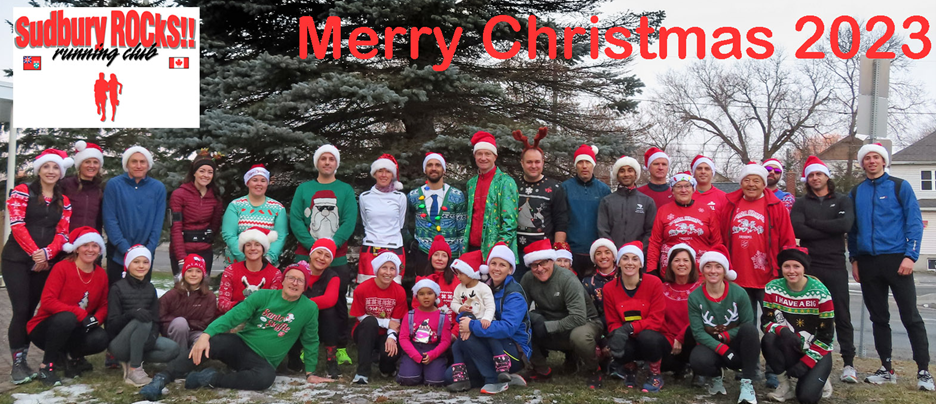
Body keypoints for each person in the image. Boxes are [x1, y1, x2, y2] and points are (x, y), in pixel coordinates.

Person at [139, 263, 333, 401]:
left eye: (300, 280)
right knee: (214, 342)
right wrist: (206, 335)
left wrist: (310, 372)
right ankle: (162, 378)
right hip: (240, 346)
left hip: (264, 361)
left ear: (305, 285)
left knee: (266, 378)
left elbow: (310, 340)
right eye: (291, 277)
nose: (294, 283)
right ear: (283, 280)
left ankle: (210, 378)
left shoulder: (309, 308)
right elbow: (233, 316)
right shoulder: (264, 296)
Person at [848, 143, 932, 390]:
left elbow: (914, 222)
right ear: (862, 164)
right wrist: (854, 259)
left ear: (884, 162)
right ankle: (886, 367)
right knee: (878, 318)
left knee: (911, 317)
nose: (872, 161)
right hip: (868, 262)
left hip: (897, 260)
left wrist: (911, 256)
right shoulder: (856, 192)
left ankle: (924, 371)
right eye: (867, 158)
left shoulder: (899, 186)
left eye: (876, 157)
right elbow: (853, 231)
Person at [720, 162, 795, 388]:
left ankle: (775, 370)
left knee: (773, 326)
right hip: (737, 277)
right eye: (747, 180)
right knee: (745, 327)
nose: (751, 184)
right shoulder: (730, 204)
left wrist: (787, 269)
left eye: (756, 181)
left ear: (764, 184)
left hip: (769, 277)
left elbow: (787, 239)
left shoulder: (775, 205)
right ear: (741, 182)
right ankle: (748, 368)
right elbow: (721, 238)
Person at [4, 149, 74, 385]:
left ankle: (35, 358)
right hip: (15, 259)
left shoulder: (63, 200)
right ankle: (18, 362)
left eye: (56, 168)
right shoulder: (23, 191)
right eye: (47, 167)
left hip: (44, 262)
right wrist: (36, 253)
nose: (51, 171)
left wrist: (47, 254)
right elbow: (16, 224)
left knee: (34, 308)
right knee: (21, 309)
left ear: (60, 172)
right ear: (39, 169)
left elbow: (62, 233)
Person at [790, 156, 858, 383]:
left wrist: (815, 224)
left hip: (836, 264)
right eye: (811, 175)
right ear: (806, 179)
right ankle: (810, 358)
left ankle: (849, 363)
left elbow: (845, 225)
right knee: (810, 316)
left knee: (841, 314)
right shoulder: (801, 203)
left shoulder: (842, 200)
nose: (815, 178)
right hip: (811, 266)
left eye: (818, 174)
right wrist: (830, 227)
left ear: (826, 176)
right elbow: (798, 229)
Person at [290, 144, 357, 365]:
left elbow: (349, 221)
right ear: (317, 163)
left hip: (337, 258)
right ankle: (299, 348)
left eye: (331, 159)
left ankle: (339, 347)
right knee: (299, 300)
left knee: (337, 302)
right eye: (323, 159)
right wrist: (313, 247)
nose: (327, 162)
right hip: (304, 257)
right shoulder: (304, 189)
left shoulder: (345, 190)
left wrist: (330, 247)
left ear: (336, 163)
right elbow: (296, 219)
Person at [26, 227, 109, 387]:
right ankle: (46, 367)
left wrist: (96, 319)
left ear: (99, 250)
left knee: (101, 337)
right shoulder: (62, 268)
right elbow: (48, 301)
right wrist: (80, 313)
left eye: (95, 246)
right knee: (67, 318)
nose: (90, 250)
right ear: (77, 248)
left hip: (76, 328)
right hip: (46, 327)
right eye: (85, 245)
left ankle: (72, 358)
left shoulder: (101, 274)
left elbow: (104, 304)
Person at [446, 242, 530, 395]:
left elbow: (508, 328)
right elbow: (467, 308)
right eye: (493, 263)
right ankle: (505, 377)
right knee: (448, 376)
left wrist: (471, 326)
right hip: (487, 343)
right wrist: (464, 319)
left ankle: (494, 379)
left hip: (512, 349)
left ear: (510, 269)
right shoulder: (483, 287)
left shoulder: (514, 294)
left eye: (502, 265)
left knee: (468, 338)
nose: (496, 268)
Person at [521, 239, 604, 388]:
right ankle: (541, 369)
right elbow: (520, 310)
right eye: (535, 265)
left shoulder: (567, 279)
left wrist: (547, 326)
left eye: (544, 263)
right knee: (522, 326)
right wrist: (535, 318)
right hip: (551, 321)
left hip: (585, 322)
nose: (540, 269)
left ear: (552, 261)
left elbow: (578, 317)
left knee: (580, 337)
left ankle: (594, 369)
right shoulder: (528, 279)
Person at [687, 245, 759, 404]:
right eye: (708, 266)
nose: (713, 271)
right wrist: (723, 349)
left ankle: (747, 383)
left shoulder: (739, 293)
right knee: (698, 360)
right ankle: (716, 376)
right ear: (702, 270)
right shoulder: (695, 297)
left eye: (718, 267)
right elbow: (698, 332)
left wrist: (726, 336)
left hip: (734, 341)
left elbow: (747, 323)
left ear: (724, 270)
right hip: (711, 342)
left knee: (750, 331)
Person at [762, 247, 834, 403]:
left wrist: (806, 363)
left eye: (796, 266)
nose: (791, 271)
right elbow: (766, 322)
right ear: (781, 268)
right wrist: (783, 331)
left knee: (806, 398)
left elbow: (826, 337)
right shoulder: (772, 288)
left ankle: (820, 377)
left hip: (817, 350)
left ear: (804, 268)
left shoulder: (821, 293)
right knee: (768, 339)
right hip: (791, 344)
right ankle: (784, 385)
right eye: (786, 266)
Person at [107, 245, 181, 387]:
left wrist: (153, 336)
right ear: (128, 264)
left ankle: (136, 358)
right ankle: (134, 369)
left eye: (145, 262)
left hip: (142, 338)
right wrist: (130, 315)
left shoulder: (150, 288)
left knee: (172, 349)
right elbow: (111, 325)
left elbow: (155, 319)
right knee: (142, 319)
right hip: (119, 344)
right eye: (136, 262)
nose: (141, 266)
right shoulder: (117, 288)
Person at [603, 241, 667, 392]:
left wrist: (630, 327)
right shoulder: (609, 289)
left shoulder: (654, 283)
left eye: (634, 259)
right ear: (618, 263)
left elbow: (656, 320)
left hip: (652, 338)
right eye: (625, 258)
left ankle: (655, 374)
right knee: (616, 340)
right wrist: (619, 333)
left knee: (647, 337)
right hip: (628, 338)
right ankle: (629, 368)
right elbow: (612, 321)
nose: (629, 263)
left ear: (640, 264)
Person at [102, 146, 166, 285]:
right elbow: (110, 220)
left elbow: (157, 222)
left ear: (148, 165)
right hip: (118, 254)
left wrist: (146, 252)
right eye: (134, 161)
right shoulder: (114, 185)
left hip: (145, 256)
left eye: (142, 162)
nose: (138, 165)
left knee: (140, 300)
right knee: (116, 296)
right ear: (127, 164)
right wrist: (127, 250)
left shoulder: (158, 188)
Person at [449, 248, 513, 385]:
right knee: (456, 347)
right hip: (467, 322)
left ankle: (501, 368)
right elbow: (453, 303)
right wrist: (459, 308)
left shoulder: (483, 288)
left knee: (492, 339)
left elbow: (490, 306)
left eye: (460, 273)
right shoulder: (459, 288)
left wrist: (486, 319)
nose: (458, 277)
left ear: (470, 273)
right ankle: (461, 375)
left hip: (483, 322)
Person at [512, 128, 569, 281]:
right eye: (529, 162)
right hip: (516, 253)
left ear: (543, 162)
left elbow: (561, 222)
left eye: (537, 162)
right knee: (518, 294)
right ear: (522, 163)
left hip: (543, 257)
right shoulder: (512, 186)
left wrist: (557, 252)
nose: (533, 166)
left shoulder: (555, 188)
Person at [646, 171, 722, 277]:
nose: (683, 190)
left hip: (699, 270)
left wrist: (716, 265)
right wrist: (651, 268)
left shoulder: (706, 210)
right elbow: (655, 242)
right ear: (672, 190)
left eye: (687, 186)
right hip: (671, 270)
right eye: (678, 187)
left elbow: (717, 242)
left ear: (693, 189)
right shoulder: (663, 210)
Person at [286, 239, 343, 379]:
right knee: (289, 314)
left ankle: (331, 360)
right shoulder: (297, 271)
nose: (322, 258)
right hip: (296, 318)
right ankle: (294, 358)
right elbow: (287, 295)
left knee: (329, 312)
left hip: (320, 323)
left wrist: (302, 305)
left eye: (327, 255)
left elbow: (330, 300)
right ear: (311, 253)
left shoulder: (333, 277)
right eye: (319, 252)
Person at [405, 152, 467, 281]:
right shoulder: (414, 196)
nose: (434, 168)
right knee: (424, 293)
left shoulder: (457, 195)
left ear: (443, 170)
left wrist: (463, 257)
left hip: (450, 255)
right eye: (430, 165)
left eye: (438, 165)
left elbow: (462, 230)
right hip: (423, 253)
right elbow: (404, 222)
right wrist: (410, 241)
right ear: (425, 170)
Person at [349, 252, 407, 384]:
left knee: (389, 359)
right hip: (365, 331)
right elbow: (359, 316)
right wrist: (386, 322)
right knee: (370, 321)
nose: (388, 272)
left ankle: (386, 368)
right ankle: (362, 372)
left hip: (386, 334)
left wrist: (391, 337)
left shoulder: (399, 291)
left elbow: (396, 322)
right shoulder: (362, 289)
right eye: (384, 268)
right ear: (377, 269)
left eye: (392, 269)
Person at [462, 131, 519, 261]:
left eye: (487, 154)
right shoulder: (471, 184)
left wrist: (500, 249)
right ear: (474, 156)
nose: (483, 158)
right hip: (472, 250)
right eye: (479, 154)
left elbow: (510, 221)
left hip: (496, 252)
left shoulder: (506, 182)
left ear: (495, 156)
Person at [169, 150, 224, 279]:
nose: (206, 175)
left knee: (202, 291)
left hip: (204, 250)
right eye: (202, 171)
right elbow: (175, 228)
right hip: (182, 249)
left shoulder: (215, 197)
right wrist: (181, 258)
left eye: (210, 172)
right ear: (194, 172)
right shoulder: (179, 194)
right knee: (182, 292)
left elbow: (215, 225)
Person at [221, 164, 288, 266]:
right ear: (248, 182)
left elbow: (281, 237)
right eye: (255, 180)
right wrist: (245, 259)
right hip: (238, 263)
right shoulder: (235, 206)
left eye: (263, 180)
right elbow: (229, 235)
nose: (259, 184)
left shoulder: (278, 208)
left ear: (267, 183)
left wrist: (268, 259)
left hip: (266, 264)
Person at [562, 144, 611, 278]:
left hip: (595, 253)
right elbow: (560, 219)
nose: (584, 166)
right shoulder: (565, 188)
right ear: (575, 165)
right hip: (571, 252)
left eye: (587, 162)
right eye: (580, 162)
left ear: (593, 165)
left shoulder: (604, 190)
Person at [358, 154, 408, 285]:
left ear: (393, 175)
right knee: (367, 289)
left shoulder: (400, 197)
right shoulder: (365, 197)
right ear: (374, 174)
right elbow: (365, 222)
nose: (384, 175)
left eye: (388, 171)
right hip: (370, 247)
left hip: (394, 247)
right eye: (380, 171)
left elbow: (400, 223)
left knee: (392, 290)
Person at [597, 155, 655, 263]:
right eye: (622, 171)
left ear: (635, 174)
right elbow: (603, 230)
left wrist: (638, 249)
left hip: (637, 258)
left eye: (630, 170)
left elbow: (650, 231)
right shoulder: (607, 201)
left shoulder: (647, 202)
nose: (626, 174)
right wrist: (612, 251)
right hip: (613, 258)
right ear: (617, 175)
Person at [398, 279, 453, 387]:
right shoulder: (410, 315)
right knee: (408, 379)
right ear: (416, 296)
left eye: (429, 293)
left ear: (436, 296)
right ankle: (413, 369)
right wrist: (415, 355)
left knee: (436, 382)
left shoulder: (443, 317)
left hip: (433, 351)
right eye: (421, 294)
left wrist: (432, 355)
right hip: (414, 351)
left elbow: (446, 341)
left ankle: (429, 371)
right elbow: (403, 338)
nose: (426, 297)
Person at [159, 254, 217, 355]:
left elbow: (206, 322)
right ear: (184, 273)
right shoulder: (173, 294)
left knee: (203, 340)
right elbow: (160, 315)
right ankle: (179, 359)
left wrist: (188, 324)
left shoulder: (209, 297)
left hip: (196, 332)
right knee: (180, 323)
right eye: (189, 271)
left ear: (203, 275)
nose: (193, 274)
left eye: (198, 271)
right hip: (176, 332)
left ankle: (191, 363)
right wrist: (182, 323)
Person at [217, 227, 283, 314]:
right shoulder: (231, 271)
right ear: (243, 249)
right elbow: (222, 303)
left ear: (263, 249)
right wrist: (242, 306)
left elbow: (274, 305)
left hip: (261, 321)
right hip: (234, 317)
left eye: (257, 245)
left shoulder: (275, 274)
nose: (252, 248)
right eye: (248, 245)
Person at [659, 244, 701, 378]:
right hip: (670, 342)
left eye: (685, 260)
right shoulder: (661, 289)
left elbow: (701, 319)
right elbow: (658, 318)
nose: (681, 264)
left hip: (693, 340)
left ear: (692, 264)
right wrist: (670, 339)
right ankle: (680, 368)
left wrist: (680, 337)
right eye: (676, 260)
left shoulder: (702, 289)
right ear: (670, 264)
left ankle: (698, 369)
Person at [62, 141, 105, 232]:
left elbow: (99, 221)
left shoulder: (100, 189)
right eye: (87, 162)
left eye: (95, 162)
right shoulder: (65, 184)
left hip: (89, 241)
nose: (92, 166)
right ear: (80, 164)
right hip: (66, 241)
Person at [412, 235, 459, 312]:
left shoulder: (456, 281)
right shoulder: (422, 281)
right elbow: (416, 308)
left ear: (448, 260)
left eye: (444, 256)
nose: (439, 259)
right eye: (436, 255)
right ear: (431, 258)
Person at [582, 238, 618, 329]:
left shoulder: (624, 276)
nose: (603, 256)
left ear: (614, 256)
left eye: (607, 252)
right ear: (594, 258)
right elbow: (588, 311)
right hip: (598, 324)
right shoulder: (588, 281)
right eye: (598, 253)